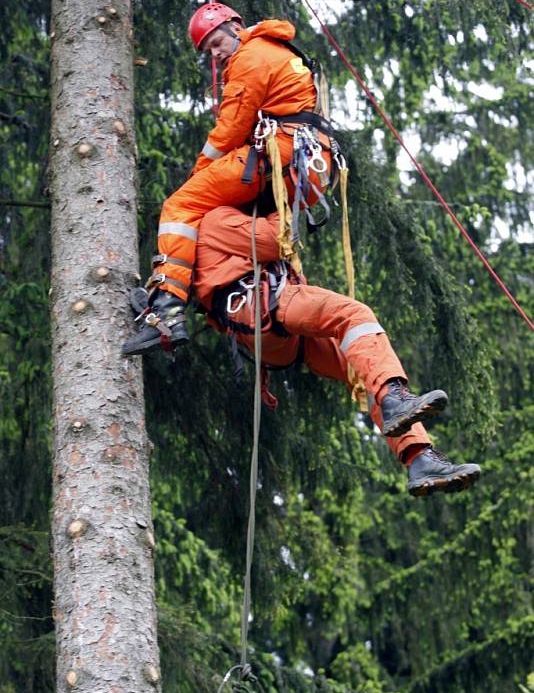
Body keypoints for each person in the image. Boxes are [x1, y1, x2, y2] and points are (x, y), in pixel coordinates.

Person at [128, 204, 481, 498]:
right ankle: (396, 399)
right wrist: (289, 205)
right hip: (260, 305)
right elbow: (272, 241)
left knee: (364, 368)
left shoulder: (210, 232)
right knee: (354, 314)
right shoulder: (217, 219)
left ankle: (419, 458)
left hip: (270, 323)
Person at [122, 2, 336, 356]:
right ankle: (175, 297)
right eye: (208, 51)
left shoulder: (252, 56)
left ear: (235, 27)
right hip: (300, 161)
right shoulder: (272, 51)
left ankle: (168, 309)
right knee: (208, 221)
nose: (216, 54)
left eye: (217, 43)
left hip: (280, 153)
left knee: (182, 204)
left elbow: (230, 130)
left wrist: (199, 172)